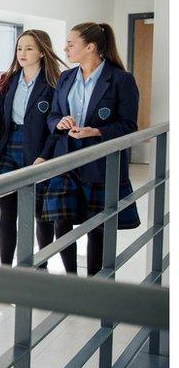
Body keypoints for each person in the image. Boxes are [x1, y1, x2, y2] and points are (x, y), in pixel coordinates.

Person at [41, 22, 141, 276]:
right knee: (60, 222)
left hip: (100, 163)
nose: (65, 48)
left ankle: (94, 284)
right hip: (66, 159)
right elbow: (52, 114)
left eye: (71, 44)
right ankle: (73, 280)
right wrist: (60, 122)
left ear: (91, 47)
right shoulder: (65, 78)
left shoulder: (121, 80)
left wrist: (95, 131)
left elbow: (129, 126)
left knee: (97, 228)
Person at [0, 30, 68, 269]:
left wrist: (45, 155)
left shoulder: (55, 83)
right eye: (19, 49)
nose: (22, 53)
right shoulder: (8, 80)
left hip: (39, 151)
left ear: (42, 52)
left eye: (29, 49)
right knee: (7, 211)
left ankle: (41, 267)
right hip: (9, 149)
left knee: (40, 214)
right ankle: (6, 268)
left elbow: (56, 127)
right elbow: (1, 121)